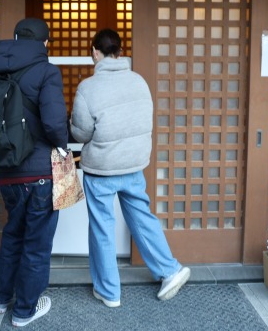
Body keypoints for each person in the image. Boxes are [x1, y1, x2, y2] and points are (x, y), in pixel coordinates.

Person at [70, 28, 191, 307]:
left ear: (95, 53)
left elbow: (80, 133)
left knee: (102, 226)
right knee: (141, 217)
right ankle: (169, 270)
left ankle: (109, 292)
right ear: (120, 52)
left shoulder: (88, 87)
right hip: (133, 165)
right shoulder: (139, 81)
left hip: (101, 169)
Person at [0, 18, 68, 327]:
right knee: (36, 243)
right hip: (40, 172)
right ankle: (25, 309)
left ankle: (1, 298)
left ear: (14, 38)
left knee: (13, 233)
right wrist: (62, 146)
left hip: (5, 172)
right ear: (45, 43)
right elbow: (54, 122)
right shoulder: (46, 71)